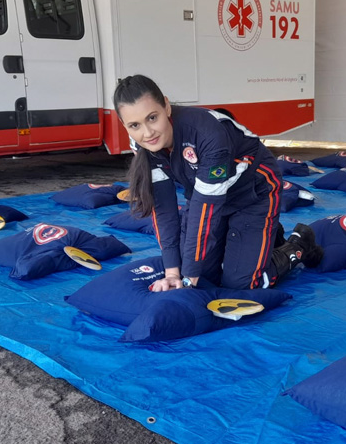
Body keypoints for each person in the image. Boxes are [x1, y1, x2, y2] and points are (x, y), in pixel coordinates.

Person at [113, 74, 323, 291]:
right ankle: (268, 236)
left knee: (240, 284)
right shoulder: (143, 143)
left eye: (152, 118)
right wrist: (173, 272)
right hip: (205, 194)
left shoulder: (207, 134)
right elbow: (163, 207)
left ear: (166, 106)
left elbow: (205, 209)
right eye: (135, 125)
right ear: (123, 124)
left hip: (252, 194)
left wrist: (188, 279)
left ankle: (297, 244)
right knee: (206, 277)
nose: (147, 132)